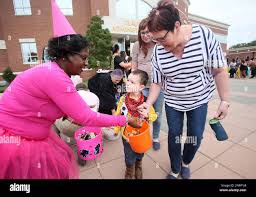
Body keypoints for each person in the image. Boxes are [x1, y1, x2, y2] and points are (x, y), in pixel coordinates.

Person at [0, 34, 140, 179]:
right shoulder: (56, 76)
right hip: (17, 141)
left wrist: (70, 113)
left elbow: (46, 104)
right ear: (66, 55)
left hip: (26, 134)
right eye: (83, 57)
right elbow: (87, 117)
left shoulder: (52, 71)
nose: (86, 63)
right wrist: (125, 120)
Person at [138, 1, 230, 179]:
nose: (159, 44)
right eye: (155, 40)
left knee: (195, 136)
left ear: (177, 26)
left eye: (162, 38)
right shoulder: (158, 51)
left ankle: (185, 162)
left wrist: (224, 100)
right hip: (173, 100)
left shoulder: (204, 35)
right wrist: (148, 103)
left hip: (199, 98)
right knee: (174, 136)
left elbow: (219, 69)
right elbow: (157, 82)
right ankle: (174, 168)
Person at [114, 70, 157, 179]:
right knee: (129, 155)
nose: (127, 83)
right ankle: (129, 171)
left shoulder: (146, 102)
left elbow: (154, 116)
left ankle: (138, 166)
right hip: (127, 135)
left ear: (141, 87)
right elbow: (118, 114)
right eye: (128, 80)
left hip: (141, 135)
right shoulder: (123, 99)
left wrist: (147, 115)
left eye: (132, 82)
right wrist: (116, 129)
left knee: (139, 152)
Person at [132, 18, 164, 151]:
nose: (145, 35)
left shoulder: (160, 46)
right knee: (140, 113)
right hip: (142, 87)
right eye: (142, 32)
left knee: (156, 115)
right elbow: (134, 65)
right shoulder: (136, 46)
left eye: (147, 32)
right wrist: (133, 82)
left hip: (157, 87)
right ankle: (141, 134)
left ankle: (155, 137)